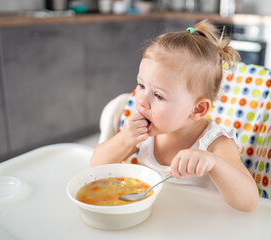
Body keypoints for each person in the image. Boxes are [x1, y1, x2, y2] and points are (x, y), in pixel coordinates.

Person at [90, 20, 259, 212]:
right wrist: (124, 139)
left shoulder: (215, 143)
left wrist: (214, 163)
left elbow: (249, 202)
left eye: (159, 95)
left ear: (197, 110)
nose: (142, 100)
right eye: (141, 85)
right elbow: (96, 167)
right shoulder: (143, 133)